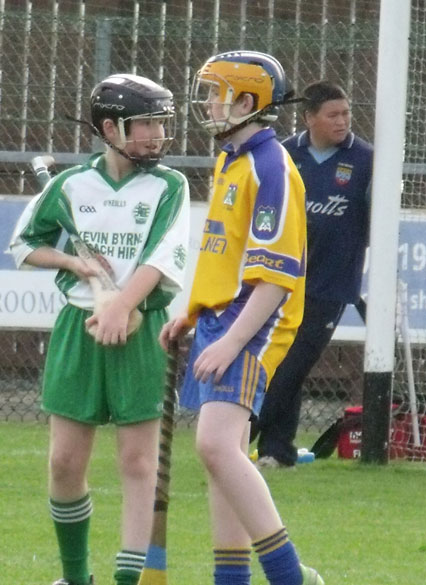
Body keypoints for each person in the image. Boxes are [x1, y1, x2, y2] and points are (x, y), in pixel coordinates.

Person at [10, 73, 190, 585]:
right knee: (65, 463)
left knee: (137, 462)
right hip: (78, 326)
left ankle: (127, 580)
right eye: (146, 124)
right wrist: (78, 265)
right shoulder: (69, 186)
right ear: (110, 128)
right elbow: (25, 245)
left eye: (162, 123)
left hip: (143, 328)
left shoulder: (168, 185)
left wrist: (122, 305)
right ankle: (75, 576)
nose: (158, 135)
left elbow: (163, 258)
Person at [160, 51, 323, 585]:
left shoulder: (269, 165)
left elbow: (276, 276)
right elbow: (226, 255)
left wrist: (232, 341)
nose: (207, 103)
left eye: (215, 93)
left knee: (214, 446)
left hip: (254, 324)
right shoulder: (231, 157)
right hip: (221, 319)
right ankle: (232, 580)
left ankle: (289, 576)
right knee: (221, 456)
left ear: (247, 102)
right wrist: (192, 310)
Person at [251, 80, 373, 468]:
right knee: (282, 363)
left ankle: (244, 433)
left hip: (332, 284)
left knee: (293, 366)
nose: (342, 122)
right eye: (333, 115)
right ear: (309, 118)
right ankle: (277, 450)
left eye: (346, 113)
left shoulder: (365, 160)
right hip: (283, 279)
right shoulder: (285, 155)